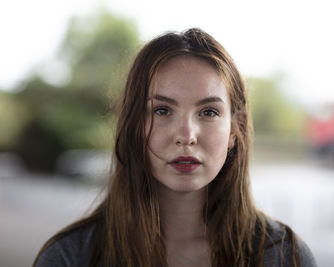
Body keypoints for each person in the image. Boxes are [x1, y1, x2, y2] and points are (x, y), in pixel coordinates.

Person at [33, 28, 317, 267]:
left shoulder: (284, 257)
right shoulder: (69, 258)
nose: (186, 136)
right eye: (162, 111)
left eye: (208, 112)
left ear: (235, 128)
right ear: (133, 126)